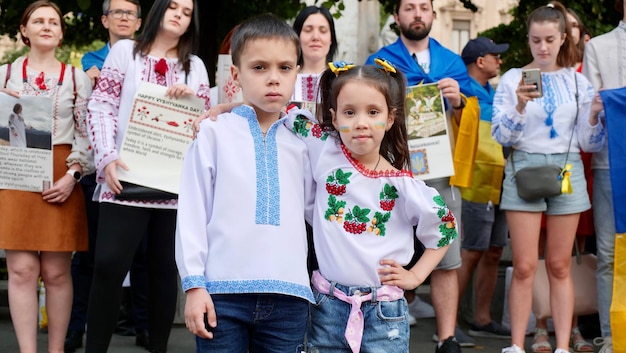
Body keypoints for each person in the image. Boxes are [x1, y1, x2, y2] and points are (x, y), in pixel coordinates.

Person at [289, 59, 456, 352]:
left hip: (385, 313)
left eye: (373, 112)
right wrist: (226, 109)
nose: (361, 123)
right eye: (349, 112)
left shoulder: (401, 184)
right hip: (327, 308)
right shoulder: (324, 147)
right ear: (334, 115)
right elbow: (282, 111)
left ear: (390, 118)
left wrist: (416, 275)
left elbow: (445, 225)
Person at [175, 13, 314, 353]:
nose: (273, 79)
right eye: (259, 67)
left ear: (298, 71)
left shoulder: (307, 139)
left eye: (285, 68)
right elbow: (192, 212)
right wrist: (193, 286)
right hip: (221, 295)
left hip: (290, 295)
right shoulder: (214, 133)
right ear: (235, 74)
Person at [85, 0, 210, 352]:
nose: (178, 15)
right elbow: (102, 106)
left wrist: (191, 106)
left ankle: (158, 348)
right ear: (157, 11)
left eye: (186, 12)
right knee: (108, 266)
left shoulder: (195, 67)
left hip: (173, 185)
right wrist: (106, 155)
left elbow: (205, 127)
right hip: (124, 177)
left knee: (161, 271)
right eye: (173, 6)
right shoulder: (126, 52)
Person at [491, 2, 605, 353]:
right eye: (536, 40)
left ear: (562, 39)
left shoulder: (577, 81)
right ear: (528, 39)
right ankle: (515, 346)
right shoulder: (512, 78)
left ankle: (562, 346)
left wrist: (594, 115)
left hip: (567, 167)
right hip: (524, 166)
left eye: (549, 40)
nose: (542, 47)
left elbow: (589, 142)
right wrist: (521, 106)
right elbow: (500, 136)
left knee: (559, 264)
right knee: (524, 265)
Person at [366, 0, 478, 350]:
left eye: (424, 7)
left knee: (446, 254)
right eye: (409, 7)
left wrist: (459, 101)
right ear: (397, 17)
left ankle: (447, 338)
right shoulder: (380, 62)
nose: (417, 14)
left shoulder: (453, 63)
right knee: (383, 249)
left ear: (432, 15)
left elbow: (479, 112)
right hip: (392, 170)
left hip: (441, 172)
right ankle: (379, 329)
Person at [0, 1, 94, 352]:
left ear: (61, 33)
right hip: (17, 170)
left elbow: (87, 133)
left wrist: (73, 174)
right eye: (38, 20)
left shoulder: (76, 77)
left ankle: (55, 350)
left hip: (61, 173)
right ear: (23, 30)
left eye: (53, 21)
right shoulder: (5, 73)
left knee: (56, 272)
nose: (46, 26)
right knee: (22, 271)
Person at [64, 1, 147, 351]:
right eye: (118, 12)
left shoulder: (151, 61)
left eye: (131, 13)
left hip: (142, 168)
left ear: (141, 22)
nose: (125, 18)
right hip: (99, 171)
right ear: (104, 20)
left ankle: (143, 326)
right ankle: (76, 331)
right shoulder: (88, 63)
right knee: (91, 255)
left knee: (143, 253)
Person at [532, 8, 595, 353]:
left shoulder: (584, 75)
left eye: (571, 27)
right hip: (541, 172)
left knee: (574, 254)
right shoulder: (534, 73)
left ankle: (572, 328)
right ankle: (542, 324)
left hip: (580, 171)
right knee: (542, 251)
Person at [456, 37, 511, 340]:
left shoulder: (494, 92)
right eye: (495, 56)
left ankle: (482, 318)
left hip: (503, 182)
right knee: (472, 252)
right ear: (480, 61)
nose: (499, 61)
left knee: (493, 251)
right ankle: (448, 324)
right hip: (475, 184)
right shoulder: (462, 92)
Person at [582, 1, 626, 352]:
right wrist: (601, 107)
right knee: (610, 253)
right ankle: (612, 334)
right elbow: (590, 106)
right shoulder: (597, 46)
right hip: (610, 162)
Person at [291, 5, 338, 103]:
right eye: (308, 30)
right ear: (297, 37)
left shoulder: (341, 80)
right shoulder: (285, 78)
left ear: (331, 39)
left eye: (323, 31)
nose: (315, 37)